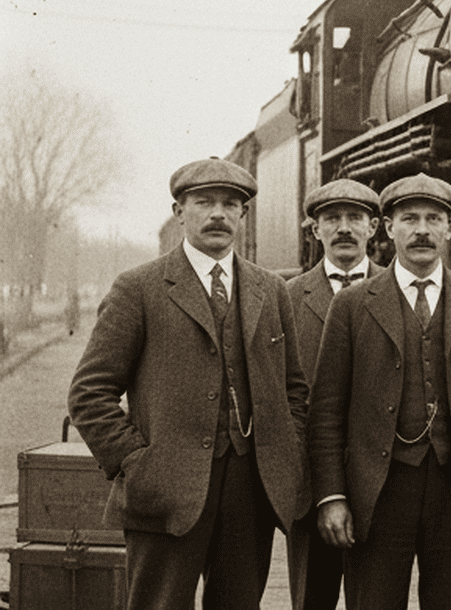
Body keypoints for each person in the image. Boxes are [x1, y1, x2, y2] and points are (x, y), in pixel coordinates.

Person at [69, 157, 309, 610]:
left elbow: (294, 389)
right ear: (180, 212)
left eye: (230, 204)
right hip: (164, 492)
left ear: (243, 215)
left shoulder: (271, 290)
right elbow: (88, 394)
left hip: (251, 490)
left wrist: (285, 456)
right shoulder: (138, 288)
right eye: (204, 202)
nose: (218, 213)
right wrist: (138, 462)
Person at [307, 173, 451, 610]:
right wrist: (332, 496)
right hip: (379, 490)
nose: (421, 229)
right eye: (409, 219)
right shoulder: (351, 305)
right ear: (388, 228)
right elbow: (327, 412)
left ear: (449, 227)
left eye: (433, 218)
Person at [285, 178, 382, 610]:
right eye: (332, 219)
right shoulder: (286, 298)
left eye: (354, 218)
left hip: (380, 479)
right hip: (309, 484)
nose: (344, 228)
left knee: (377, 597)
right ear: (315, 231)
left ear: (374, 228)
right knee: (313, 598)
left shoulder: (399, 291)